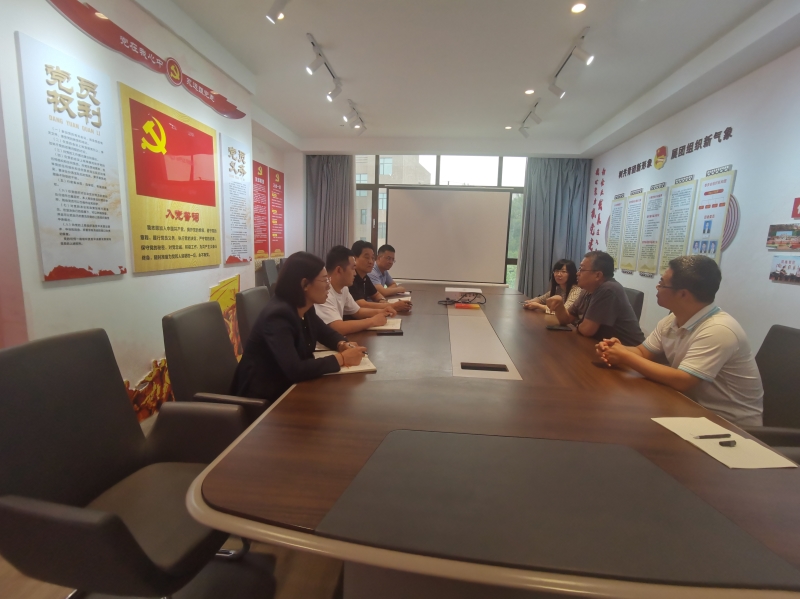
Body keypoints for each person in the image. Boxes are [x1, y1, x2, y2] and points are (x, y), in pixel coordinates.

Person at [596, 255, 763, 426]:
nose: (657, 287)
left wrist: (625, 356)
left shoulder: (719, 329)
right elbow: (643, 352)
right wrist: (616, 349)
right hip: (690, 409)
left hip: (730, 425)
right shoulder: (673, 319)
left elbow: (683, 380)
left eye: (662, 284)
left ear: (683, 294)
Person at [231, 252, 367, 404]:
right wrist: (342, 358)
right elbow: (295, 369)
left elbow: (325, 332)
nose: (329, 285)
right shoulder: (278, 316)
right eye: (324, 280)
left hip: (289, 387)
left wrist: (342, 344)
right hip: (263, 399)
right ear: (305, 284)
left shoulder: (305, 307)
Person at [547, 251, 644, 346]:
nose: (577, 273)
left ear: (598, 275)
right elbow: (567, 319)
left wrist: (577, 324)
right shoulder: (586, 290)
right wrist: (559, 306)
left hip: (628, 351)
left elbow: (587, 330)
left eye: (582, 269)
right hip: (599, 345)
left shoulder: (608, 289)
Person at [315, 245, 396, 334]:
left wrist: (382, 311)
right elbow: (338, 327)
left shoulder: (344, 288)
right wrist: (372, 321)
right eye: (353, 268)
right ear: (339, 270)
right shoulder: (323, 291)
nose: (355, 273)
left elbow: (357, 311)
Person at [350, 240, 410, 313]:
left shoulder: (365, 277)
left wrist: (383, 301)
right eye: (367, 257)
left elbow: (377, 295)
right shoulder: (350, 278)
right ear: (354, 258)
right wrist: (392, 306)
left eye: (372, 258)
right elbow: (361, 304)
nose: (371, 261)